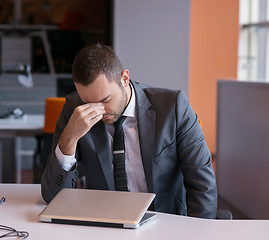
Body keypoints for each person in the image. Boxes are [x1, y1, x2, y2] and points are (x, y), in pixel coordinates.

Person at [41, 44, 217, 219]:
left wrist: (198, 232)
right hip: (105, 223)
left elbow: (202, 185)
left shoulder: (173, 106)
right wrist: (69, 140)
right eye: (89, 102)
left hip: (166, 222)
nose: (98, 110)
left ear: (124, 78)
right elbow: (53, 197)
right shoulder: (75, 108)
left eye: (105, 100)